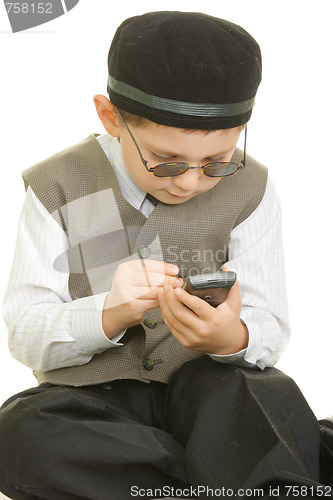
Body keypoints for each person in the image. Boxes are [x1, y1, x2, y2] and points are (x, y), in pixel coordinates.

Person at [0, 11, 331, 500]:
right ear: (111, 118)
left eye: (216, 163)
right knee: (21, 433)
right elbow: (27, 335)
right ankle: (266, 477)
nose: (190, 181)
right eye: (167, 161)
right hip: (94, 402)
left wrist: (231, 336)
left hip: (209, 391)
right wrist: (108, 313)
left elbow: (270, 327)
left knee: (262, 390)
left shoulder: (253, 188)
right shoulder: (57, 187)